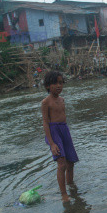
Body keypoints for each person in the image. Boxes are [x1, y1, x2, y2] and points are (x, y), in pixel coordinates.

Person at [41, 71, 79, 200]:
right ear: (47, 86)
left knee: (71, 162)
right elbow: (46, 122)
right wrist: (52, 143)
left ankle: (71, 185)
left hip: (64, 130)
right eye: (55, 83)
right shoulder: (46, 102)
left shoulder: (62, 100)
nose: (59, 86)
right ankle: (64, 194)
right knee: (61, 164)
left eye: (61, 83)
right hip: (54, 131)